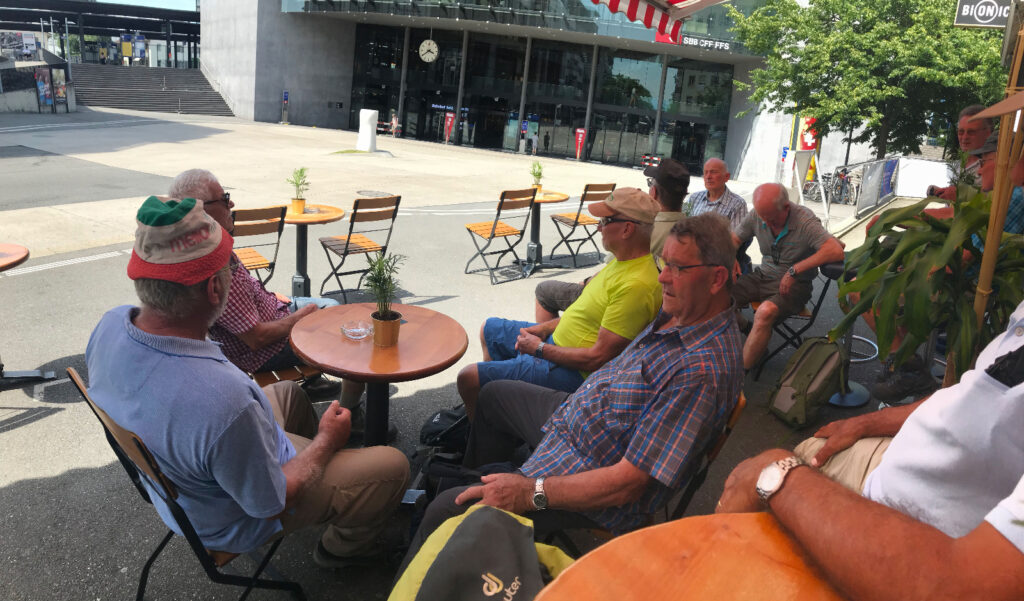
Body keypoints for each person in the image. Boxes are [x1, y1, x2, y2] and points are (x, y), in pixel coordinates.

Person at [403, 213, 744, 569]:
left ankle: (477, 519)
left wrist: (529, 493)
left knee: (446, 511)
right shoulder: (684, 311)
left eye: (677, 268)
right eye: (664, 263)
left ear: (717, 279)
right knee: (492, 395)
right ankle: (482, 495)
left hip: (592, 469)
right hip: (581, 418)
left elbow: (628, 484)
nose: (663, 277)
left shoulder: (701, 371)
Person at [86, 195, 409, 568]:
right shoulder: (223, 399)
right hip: (237, 516)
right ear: (214, 289)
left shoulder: (111, 324)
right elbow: (272, 501)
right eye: (231, 265)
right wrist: (326, 442)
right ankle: (340, 547)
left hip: (184, 482)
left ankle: (327, 491)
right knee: (393, 464)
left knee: (287, 393)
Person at [716, 297, 1024, 601]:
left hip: (923, 548)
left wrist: (779, 475)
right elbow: (966, 396)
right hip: (892, 468)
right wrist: (863, 424)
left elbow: (965, 588)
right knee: (808, 450)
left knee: (755, 491)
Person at [459, 188, 662, 417]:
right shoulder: (622, 262)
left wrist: (539, 349)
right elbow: (584, 314)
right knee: (490, 329)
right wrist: (543, 329)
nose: (598, 227)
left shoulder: (637, 285)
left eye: (605, 221)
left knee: (468, 378)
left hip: (571, 372)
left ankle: (486, 424)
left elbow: (597, 359)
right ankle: (497, 410)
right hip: (556, 346)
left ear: (627, 229)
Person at [168, 170, 361, 403]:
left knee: (335, 308)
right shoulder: (214, 271)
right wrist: (299, 318)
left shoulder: (210, 244)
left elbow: (244, 293)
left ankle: (313, 382)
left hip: (273, 310)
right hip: (264, 351)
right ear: (200, 209)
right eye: (224, 198)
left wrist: (269, 296)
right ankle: (350, 413)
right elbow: (256, 339)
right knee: (348, 335)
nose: (231, 203)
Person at [534, 159, 692, 322]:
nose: (600, 227)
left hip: (614, 294)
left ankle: (545, 335)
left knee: (543, 291)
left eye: (605, 221)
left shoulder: (646, 229)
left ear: (654, 193)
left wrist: (585, 283)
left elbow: (613, 268)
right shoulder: (688, 231)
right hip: (646, 300)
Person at [732, 183, 845, 370]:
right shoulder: (759, 214)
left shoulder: (804, 220)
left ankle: (739, 378)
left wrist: (795, 270)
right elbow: (734, 239)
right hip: (762, 275)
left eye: (772, 220)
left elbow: (836, 250)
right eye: (763, 218)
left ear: (786, 207)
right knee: (717, 299)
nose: (767, 224)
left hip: (796, 286)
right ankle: (749, 331)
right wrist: (731, 257)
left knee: (765, 312)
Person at [928, 105, 992, 201]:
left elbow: (993, 202)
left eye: (971, 132)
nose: (964, 137)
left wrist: (961, 195)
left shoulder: (993, 166)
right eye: (961, 132)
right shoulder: (959, 164)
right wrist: (941, 192)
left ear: (987, 133)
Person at [687, 158, 748, 231]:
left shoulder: (738, 204)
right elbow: (682, 225)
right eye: (705, 172)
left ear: (726, 177)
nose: (708, 177)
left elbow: (736, 236)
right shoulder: (694, 197)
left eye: (713, 172)